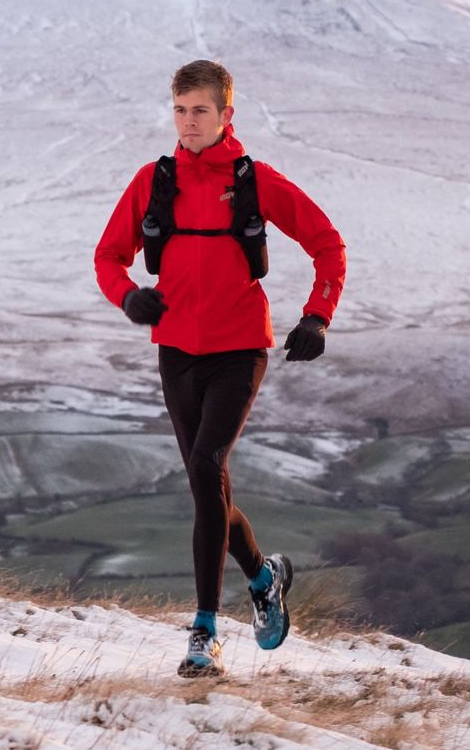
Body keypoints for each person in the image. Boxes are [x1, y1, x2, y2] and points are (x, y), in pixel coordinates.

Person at [93, 59, 347, 678]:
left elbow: (328, 244)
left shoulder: (256, 181)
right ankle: (264, 576)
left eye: (200, 111)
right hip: (176, 351)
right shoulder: (153, 181)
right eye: (179, 111)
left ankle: (203, 633)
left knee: (208, 467)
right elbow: (108, 256)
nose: (187, 123)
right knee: (208, 484)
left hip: (239, 349)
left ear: (227, 115)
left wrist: (317, 316)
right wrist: (128, 297)